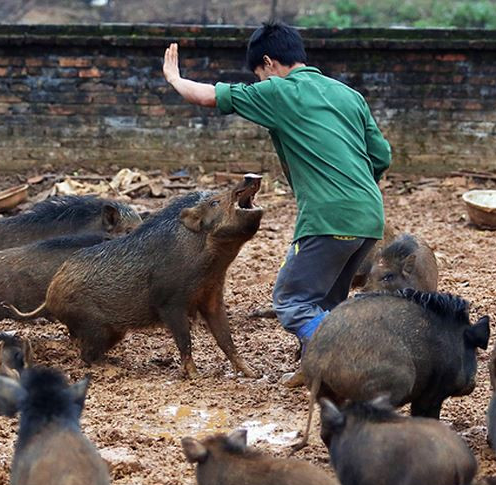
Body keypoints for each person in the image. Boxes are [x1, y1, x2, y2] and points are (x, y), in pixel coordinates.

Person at [163, 21, 391, 379]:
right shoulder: (349, 95)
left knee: (291, 302)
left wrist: (175, 79)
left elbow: (207, 96)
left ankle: (353, 353)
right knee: (327, 303)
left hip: (328, 217)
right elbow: (381, 156)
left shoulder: (279, 91)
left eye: (259, 75)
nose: (260, 84)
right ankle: (315, 369)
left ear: (269, 63)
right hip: (369, 217)